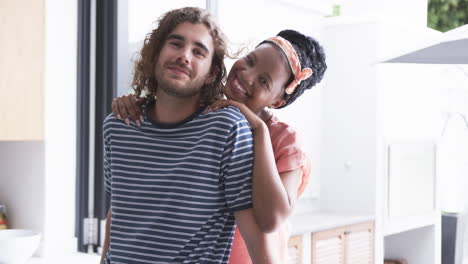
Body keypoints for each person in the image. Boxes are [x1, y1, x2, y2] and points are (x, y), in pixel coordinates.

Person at [113, 28, 327, 263]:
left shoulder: (283, 139)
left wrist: (259, 130)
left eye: (264, 81)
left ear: (277, 100)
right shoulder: (208, 113)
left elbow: (271, 220)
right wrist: (135, 104)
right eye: (250, 61)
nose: (247, 76)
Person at [101, 7, 279, 264]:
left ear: (212, 74)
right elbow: (116, 215)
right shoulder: (118, 127)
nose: (184, 56)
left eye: (199, 52)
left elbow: (257, 241)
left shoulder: (227, 129)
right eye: (176, 44)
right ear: (156, 53)